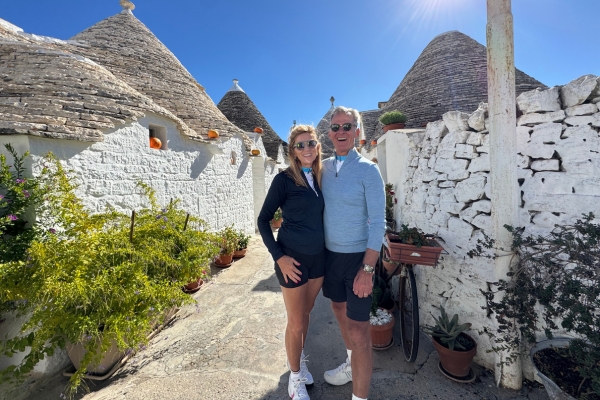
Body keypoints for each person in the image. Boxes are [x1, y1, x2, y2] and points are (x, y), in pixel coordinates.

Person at [320, 106, 386, 400]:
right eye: (335, 127)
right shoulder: (322, 168)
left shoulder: (368, 170)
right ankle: (350, 365)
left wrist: (368, 270)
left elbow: (378, 223)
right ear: (329, 133)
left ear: (357, 132)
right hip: (330, 258)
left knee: (360, 331)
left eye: (347, 127)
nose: (341, 132)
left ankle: (360, 398)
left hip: (359, 259)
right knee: (338, 309)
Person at [257, 125, 325, 400]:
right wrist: (279, 257)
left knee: (306, 314)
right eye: (300, 145)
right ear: (293, 151)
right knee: (296, 321)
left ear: (318, 146)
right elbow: (263, 220)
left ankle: (298, 359)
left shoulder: (321, 177)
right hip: (292, 260)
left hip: (319, 259)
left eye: (311, 143)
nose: (307, 149)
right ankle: (294, 378)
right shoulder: (283, 179)